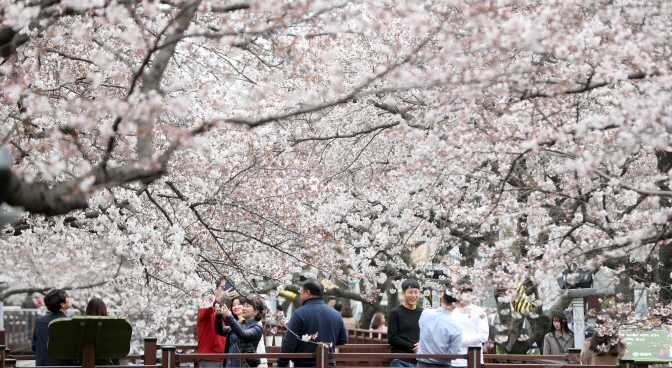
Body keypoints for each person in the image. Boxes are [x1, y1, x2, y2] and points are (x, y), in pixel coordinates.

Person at [277, 278, 348, 367]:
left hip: (304, 364)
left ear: (307, 293)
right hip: (328, 363)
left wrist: (281, 363)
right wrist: (326, 340)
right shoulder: (336, 314)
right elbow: (343, 339)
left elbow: (290, 344)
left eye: (301, 292)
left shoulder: (299, 313)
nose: (300, 295)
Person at [417, 286, 462, 367]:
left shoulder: (425, 314)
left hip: (422, 364)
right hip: (442, 365)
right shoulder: (456, 327)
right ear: (458, 303)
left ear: (442, 298)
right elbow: (454, 354)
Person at [215, 296, 265, 368]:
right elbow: (220, 331)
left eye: (247, 306)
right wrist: (218, 316)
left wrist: (229, 316)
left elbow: (242, 334)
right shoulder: (239, 324)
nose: (244, 308)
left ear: (256, 311)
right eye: (243, 306)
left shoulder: (257, 327)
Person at [32, 289, 77, 366]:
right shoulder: (68, 323)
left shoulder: (40, 321)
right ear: (62, 304)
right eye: (67, 296)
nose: (69, 298)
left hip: (42, 365)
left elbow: (34, 346)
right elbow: (71, 353)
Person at [197, 278, 236, 368]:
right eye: (223, 288)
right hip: (210, 357)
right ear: (215, 289)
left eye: (229, 288)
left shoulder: (231, 309)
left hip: (229, 357)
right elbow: (206, 310)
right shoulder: (206, 304)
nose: (226, 291)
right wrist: (219, 300)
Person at [451, 279, 489, 368]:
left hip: (473, 361)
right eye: (460, 292)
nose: (463, 294)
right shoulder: (450, 311)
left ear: (471, 293)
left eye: (466, 291)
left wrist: (460, 342)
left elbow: (484, 336)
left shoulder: (479, 311)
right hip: (451, 361)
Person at [388, 279, 423, 367]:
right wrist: (413, 347)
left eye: (416, 292)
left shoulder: (423, 313)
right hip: (400, 359)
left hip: (419, 360)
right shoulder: (395, 313)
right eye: (410, 292)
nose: (413, 295)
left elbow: (429, 334)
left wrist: (422, 345)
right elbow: (392, 338)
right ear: (403, 293)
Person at [84, 298, 119, 365]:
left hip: (84, 364)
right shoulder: (109, 329)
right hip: (104, 365)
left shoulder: (82, 328)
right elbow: (115, 356)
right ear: (104, 311)